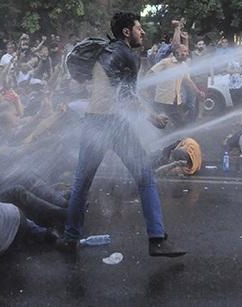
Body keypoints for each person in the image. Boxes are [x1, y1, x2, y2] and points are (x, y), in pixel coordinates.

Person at [59, 11, 186, 257]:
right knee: (145, 178)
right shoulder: (127, 54)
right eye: (139, 28)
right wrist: (153, 118)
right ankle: (157, 239)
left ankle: (70, 238)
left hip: (93, 122)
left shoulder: (103, 51)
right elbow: (126, 96)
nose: (143, 32)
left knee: (81, 184)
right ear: (127, 32)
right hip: (113, 125)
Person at [147, 44, 204, 128]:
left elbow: (188, 81)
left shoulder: (184, 66)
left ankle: (177, 139)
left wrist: (198, 92)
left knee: (179, 126)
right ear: (177, 52)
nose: (187, 53)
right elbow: (150, 73)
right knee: (161, 126)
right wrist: (148, 89)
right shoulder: (166, 62)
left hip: (176, 102)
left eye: (187, 51)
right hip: (162, 102)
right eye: (184, 51)